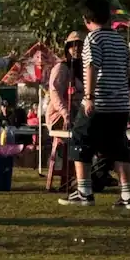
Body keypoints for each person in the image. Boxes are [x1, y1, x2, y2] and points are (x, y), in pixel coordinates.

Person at [65, 0, 130, 210]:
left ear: (86, 19)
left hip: (100, 102)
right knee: (119, 148)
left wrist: (89, 96)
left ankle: (84, 191)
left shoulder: (92, 39)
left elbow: (91, 66)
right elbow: (126, 69)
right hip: (120, 104)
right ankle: (127, 194)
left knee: (80, 141)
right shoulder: (120, 40)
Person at [46, 32, 83, 189]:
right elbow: (55, 93)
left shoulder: (84, 69)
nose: (77, 49)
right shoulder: (61, 68)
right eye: (73, 46)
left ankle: (96, 173)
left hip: (77, 113)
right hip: (59, 116)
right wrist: (65, 114)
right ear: (67, 48)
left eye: (80, 46)